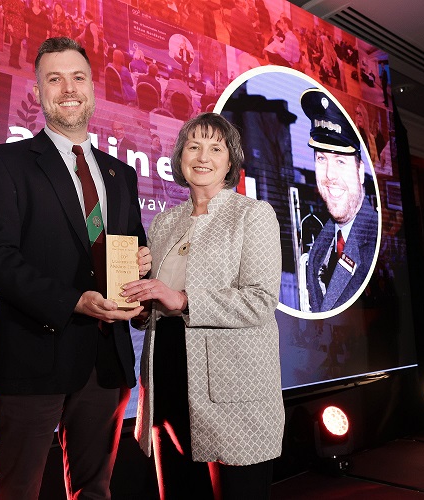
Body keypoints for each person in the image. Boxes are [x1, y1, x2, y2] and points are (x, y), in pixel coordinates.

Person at [0, 37, 152, 500]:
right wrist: (73, 301)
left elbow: (133, 250)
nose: (68, 89)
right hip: (32, 354)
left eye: (78, 77)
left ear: (92, 88)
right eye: (55, 79)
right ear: (37, 92)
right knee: (18, 490)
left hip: (106, 360)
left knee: (95, 491)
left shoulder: (122, 174)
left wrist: (142, 278)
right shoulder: (4, 162)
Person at [123, 113, 285, 499]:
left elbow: (261, 301)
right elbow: (155, 304)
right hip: (166, 377)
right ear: (180, 156)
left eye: (215, 148)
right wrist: (138, 307)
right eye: (193, 147)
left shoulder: (252, 214)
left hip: (234, 388)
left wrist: (182, 300)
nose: (202, 157)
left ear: (231, 162)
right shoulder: (163, 223)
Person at [302, 89, 379, 313]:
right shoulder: (319, 250)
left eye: (340, 161)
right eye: (321, 159)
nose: (329, 175)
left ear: (360, 170)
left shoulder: (379, 242)